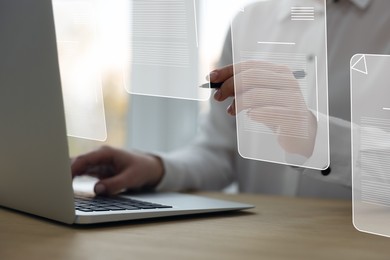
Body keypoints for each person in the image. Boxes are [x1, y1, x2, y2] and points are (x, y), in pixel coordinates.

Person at [72, 0, 390, 199]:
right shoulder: (249, 21)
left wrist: (316, 139)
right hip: (256, 246)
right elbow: (221, 154)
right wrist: (157, 168)